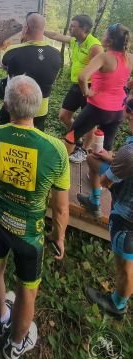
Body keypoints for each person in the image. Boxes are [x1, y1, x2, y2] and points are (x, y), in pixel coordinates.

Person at [0, 75, 70, 359]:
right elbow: (61, 209)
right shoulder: (55, 149)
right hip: (29, 234)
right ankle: (16, 343)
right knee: (28, 289)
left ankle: (1, 316)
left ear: (6, 104)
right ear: (39, 108)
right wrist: (58, 236)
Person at [71, 24, 133, 216]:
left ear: (110, 40)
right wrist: (126, 86)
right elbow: (128, 80)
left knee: (71, 136)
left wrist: (86, 91)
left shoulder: (104, 56)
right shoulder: (130, 57)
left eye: (105, 34)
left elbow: (83, 76)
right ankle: (95, 201)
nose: (103, 36)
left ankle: (55, 174)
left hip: (98, 107)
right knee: (102, 151)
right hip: (117, 111)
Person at [83, 89, 133, 318]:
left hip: (127, 219)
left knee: (125, 266)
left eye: (129, 109)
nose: (126, 112)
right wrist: (113, 158)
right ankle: (93, 203)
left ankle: (118, 305)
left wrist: (109, 163)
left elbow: (106, 181)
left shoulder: (129, 153)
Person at [45, 14, 102, 162]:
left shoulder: (94, 45)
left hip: (90, 87)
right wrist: (39, 30)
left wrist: (94, 91)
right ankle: (78, 138)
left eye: (73, 26)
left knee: (90, 122)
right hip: (77, 85)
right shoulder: (75, 41)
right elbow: (56, 35)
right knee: (64, 116)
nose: (70, 28)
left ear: (83, 28)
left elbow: (102, 69)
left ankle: (84, 151)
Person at [0, 12, 61, 130]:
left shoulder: (12, 51)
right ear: (43, 29)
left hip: (14, 108)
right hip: (40, 110)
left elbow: (3, 64)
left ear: (26, 28)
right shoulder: (56, 54)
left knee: (5, 136)